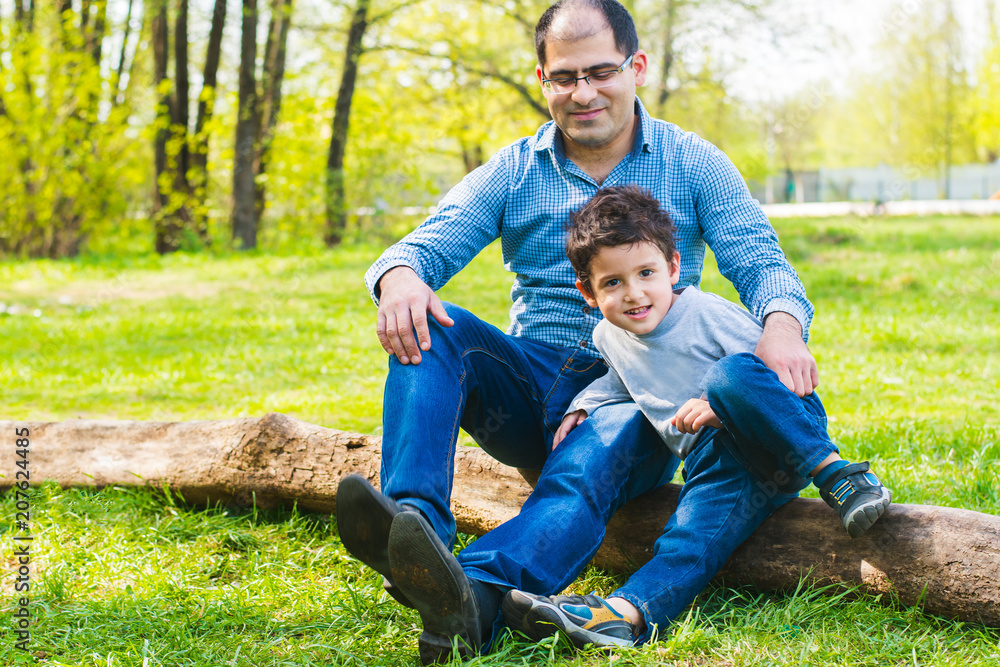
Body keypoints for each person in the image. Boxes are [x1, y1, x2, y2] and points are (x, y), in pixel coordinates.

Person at [337, 0, 818, 662]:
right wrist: (399, 281)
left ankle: (471, 597)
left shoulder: (693, 162)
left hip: (641, 387)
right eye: (565, 77)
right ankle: (412, 526)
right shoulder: (515, 169)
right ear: (543, 80)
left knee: (593, 458)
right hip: (533, 378)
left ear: (635, 67)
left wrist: (783, 331)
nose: (583, 92)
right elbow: (421, 248)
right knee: (432, 321)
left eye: (600, 72)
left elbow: (763, 265)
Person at [500, 184, 892, 648]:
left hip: (781, 436)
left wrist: (718, 404)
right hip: (718, 462)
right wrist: (583, 404)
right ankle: (622, 615)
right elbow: (622, 378)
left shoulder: (703, 313)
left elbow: (766, 378)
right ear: (588, 292)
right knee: (688, 538)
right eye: (613, 283)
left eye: (646, 273)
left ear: (672, 268)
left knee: (726, 377)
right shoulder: (609, 335)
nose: (634, 293)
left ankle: (841, 478)